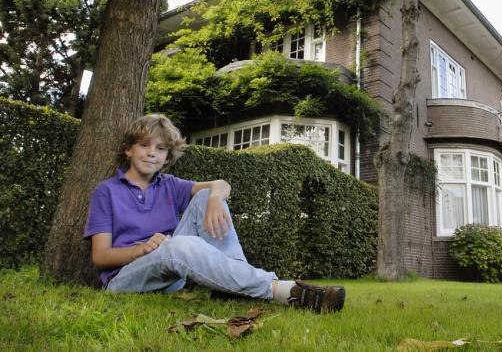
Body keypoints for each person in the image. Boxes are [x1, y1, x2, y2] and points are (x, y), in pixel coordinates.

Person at [84, 114, 345, 313]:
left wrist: (215, 198)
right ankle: (283, 290)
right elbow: (100, 257)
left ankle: (237, 286)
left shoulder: (169, 184)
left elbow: (221, 184)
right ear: (128, 149)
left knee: (205, 197)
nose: (152, 153)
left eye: (161, 149)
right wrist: (141, 250)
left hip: (169, 274)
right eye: (144, 145)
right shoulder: (107, 191)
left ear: (167, 157)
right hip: (125, 278)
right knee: (179, 246)